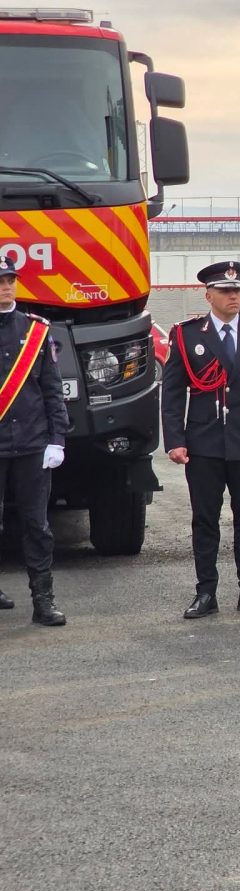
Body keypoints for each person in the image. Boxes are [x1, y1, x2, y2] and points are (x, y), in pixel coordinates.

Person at [162, 261, 240, 620]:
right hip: (205, 442)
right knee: (205, 520)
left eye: (237, 290)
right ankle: (206, 591)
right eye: (225, 291)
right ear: (209, 295)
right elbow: (172, 393)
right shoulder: (188, 335)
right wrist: (175, 440)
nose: (233, 296)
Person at [0, 255, 70, 626]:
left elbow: (51, 391)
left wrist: (57, 439)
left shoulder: (36, 330)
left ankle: (43, 600)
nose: (6, 287)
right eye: (0, 282)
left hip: (31, 443)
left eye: (10, 280)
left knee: (37, 525)